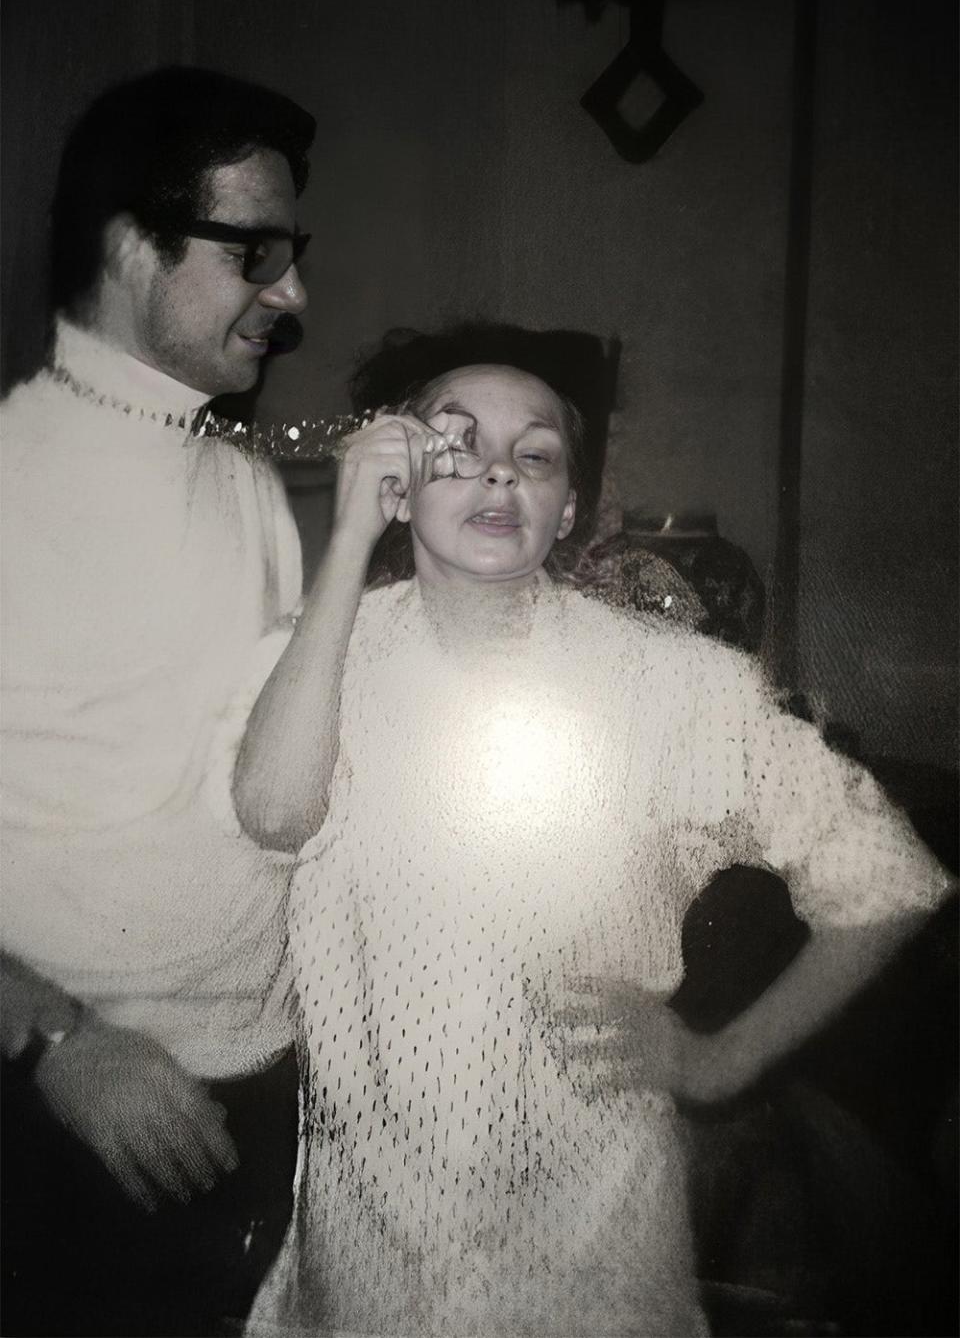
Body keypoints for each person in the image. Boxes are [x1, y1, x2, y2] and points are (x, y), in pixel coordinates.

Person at [235, 330, 953, 1337]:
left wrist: (722, 1060)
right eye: (454, 443)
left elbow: (889, 876)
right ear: (398, 483)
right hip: (369, 1267)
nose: (496, 469)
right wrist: (350, 542)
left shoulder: (672, 684)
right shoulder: (317, 660)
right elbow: (271, 812)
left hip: (590, 1257)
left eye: (535, 455)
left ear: (565, 508)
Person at [1, 66, 314, 1337]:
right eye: (259, 255)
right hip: (70, 1117)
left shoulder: (240, 480)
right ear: (137, 247)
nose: (294, 296)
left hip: (262, 1102)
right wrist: (57, 1045)